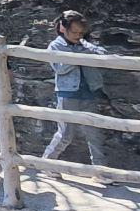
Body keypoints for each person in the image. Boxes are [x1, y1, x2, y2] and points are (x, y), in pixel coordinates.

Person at [44, 10, 110, 169]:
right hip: (68, 94)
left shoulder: (84, 45)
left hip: (89, 92)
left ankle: (100, 170)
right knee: (66, 134)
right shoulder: (55, 45)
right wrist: (79, 56)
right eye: (74, 32)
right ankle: (47, 164)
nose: (78, 35)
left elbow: (103, 54)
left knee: (94, 133)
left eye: (81, 32)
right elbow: (60, 68)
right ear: (62, 28)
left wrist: (88, 48)